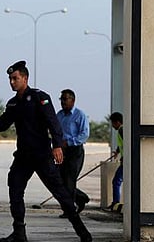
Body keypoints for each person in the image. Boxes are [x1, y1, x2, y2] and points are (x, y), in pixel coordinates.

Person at [0, 60, 92, 242]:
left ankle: (83, 233)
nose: (12, 82)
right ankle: (19, 233)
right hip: (23, 156)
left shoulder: (39, 97)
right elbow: (1, 125)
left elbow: (52, 122)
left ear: (25, 78)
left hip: (42, 155)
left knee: (61, 193)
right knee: (14, 188)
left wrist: (57, 146)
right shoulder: (13, 103)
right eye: (10, 79)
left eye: (15, 78)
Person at [56, 89, 90, 218]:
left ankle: (69, 210)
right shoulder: (59, 115)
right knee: (60, 180)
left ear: (73, 100)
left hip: (74, 151)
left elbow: (84, 134)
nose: (63, 102)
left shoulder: (79, 115)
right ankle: (80, 198)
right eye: (61, 99)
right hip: (61, 151)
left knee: (69, 180)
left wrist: (69, 142)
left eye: (65, 99)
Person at [103, 112, 123, 212]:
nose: (112, 125)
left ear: (117, 122)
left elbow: (127, 144)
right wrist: (118, 152)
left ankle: (115, 203)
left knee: (116, 181)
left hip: (126, 162)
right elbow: (122, 144)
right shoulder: (123, 130)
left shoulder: (121, 130)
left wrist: (124, 158)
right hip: (125, 160)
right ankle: (116, 203)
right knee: (117, 181)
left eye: (113, 123)